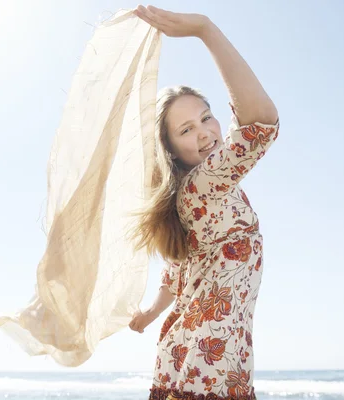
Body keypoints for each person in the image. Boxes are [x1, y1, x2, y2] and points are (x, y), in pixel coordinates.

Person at [129, 5, 280, 399]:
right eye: (186, 129)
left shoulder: (186, 197)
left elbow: (176, 270)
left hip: (191, 357)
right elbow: (260, 125)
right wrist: (205, 30)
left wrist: (148, 313)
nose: (206, 132)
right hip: (210, 365)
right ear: (172, 151)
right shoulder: (204, 187)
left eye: (207, 117)